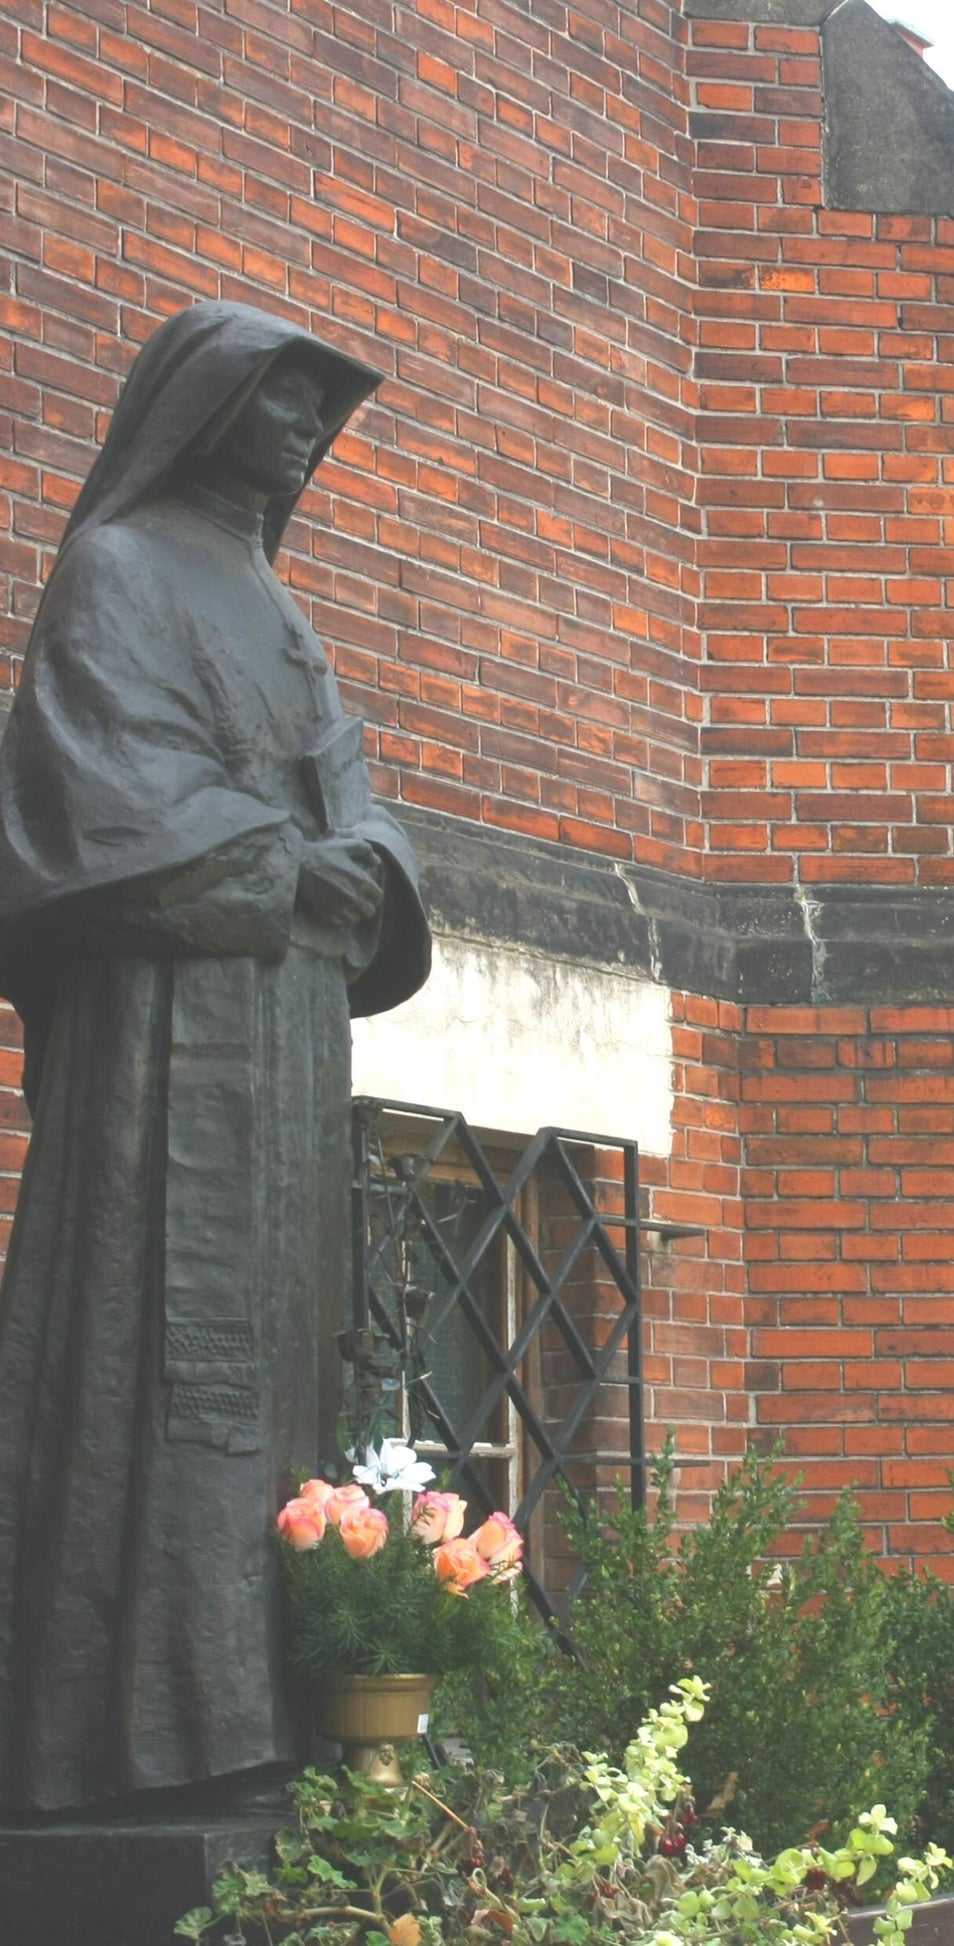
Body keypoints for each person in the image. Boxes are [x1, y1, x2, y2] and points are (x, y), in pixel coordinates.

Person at [0, 301, 432, 1812]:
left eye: (325, 405)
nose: (311, 426)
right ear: (206, 403)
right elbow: (91, 796)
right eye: (284, 397)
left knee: (278, 1358)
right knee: (162, 1355)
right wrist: (276, 863)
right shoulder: (119, 569)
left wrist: (368, 863)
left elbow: (357, 789)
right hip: (167, 1044)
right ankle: (133, 1739)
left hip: (286, 1035)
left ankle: (267, 1712)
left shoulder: (276, 602)